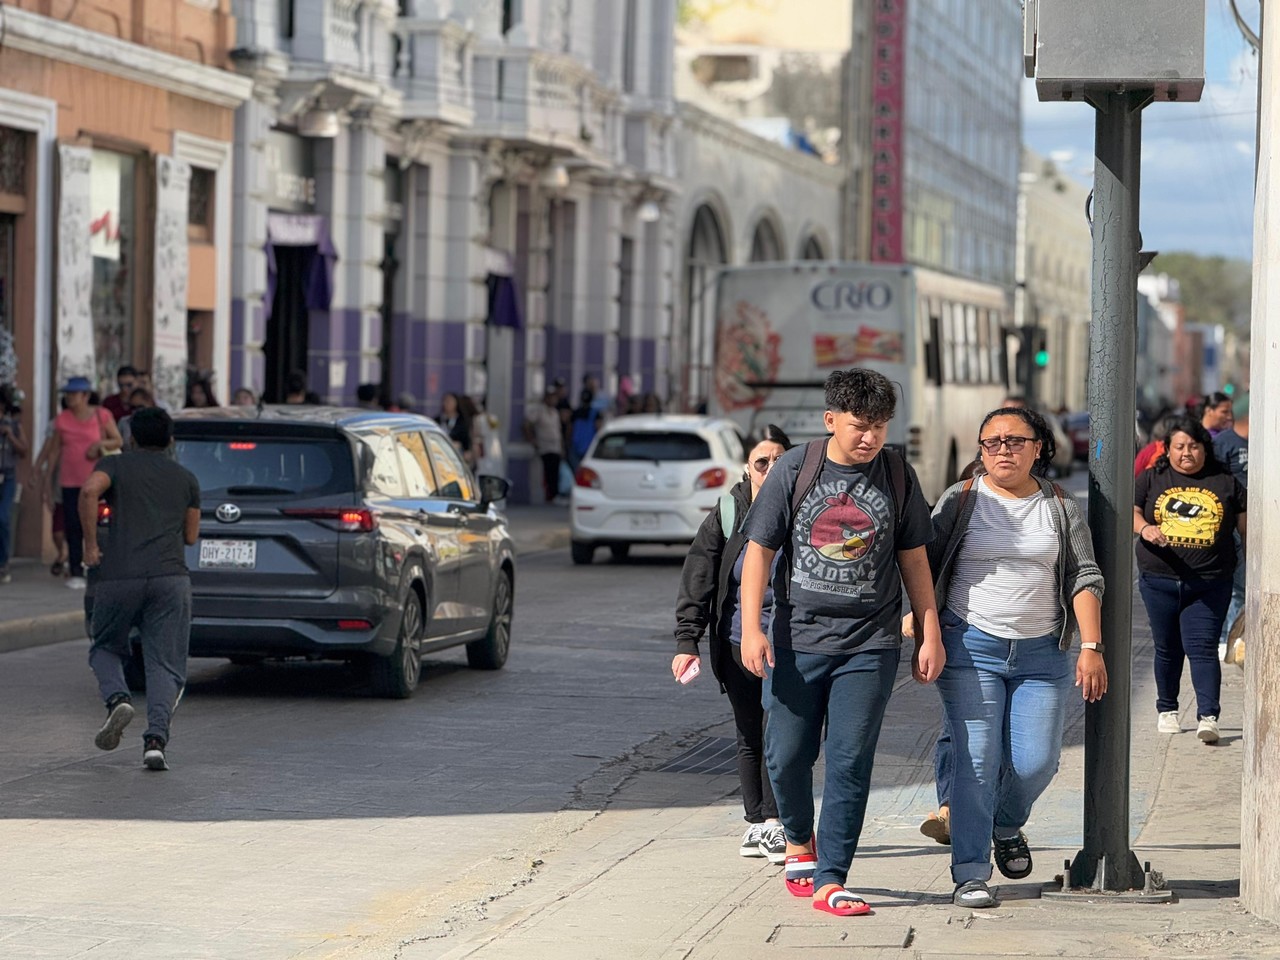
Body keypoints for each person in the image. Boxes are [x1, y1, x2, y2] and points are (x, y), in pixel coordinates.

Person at [739, 368, 943, 918]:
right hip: (796, 640)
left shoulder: (898, 475)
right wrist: (752, 628)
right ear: (831, 420)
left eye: (879, 426)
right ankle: (799, 841)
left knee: (851, 761)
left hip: (869, 645)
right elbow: (759, 549)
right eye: (859, 426)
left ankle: (832, 877)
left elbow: (914, 559)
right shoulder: (794, 469)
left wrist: (929, 629)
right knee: (785, 758)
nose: (870, 438)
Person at [917, 405, 1106, 908]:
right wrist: (924, 628)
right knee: (976, 760)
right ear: (981, 449)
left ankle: (1005, 823)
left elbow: (1083, 575)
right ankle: (971, 872)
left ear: (1038, 447)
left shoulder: (1061, 505)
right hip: (969, 646)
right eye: (993, 442)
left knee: (1037, 761)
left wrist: (1091, 646)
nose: (1004, 450)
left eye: (1016, 441)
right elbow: (925, 569)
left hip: (1042, 653)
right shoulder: (960, 501)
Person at [674, 425, 794, 864]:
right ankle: (761, 823)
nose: (771, 469)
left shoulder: (802, 506)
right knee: (750, 732)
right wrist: (688, 640)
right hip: (738, 642)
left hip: (791, 642)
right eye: (762, 462)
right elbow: (699, 576)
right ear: (748, 467)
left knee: (782, 731)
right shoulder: (729, 510)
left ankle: (772, 821)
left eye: (780, 460)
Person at [81, 407, 201, 772]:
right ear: (170, 441)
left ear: (131, 437)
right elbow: (191, 536)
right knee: (165, 664)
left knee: (105, 646)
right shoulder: (186, 478)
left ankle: (118, 699)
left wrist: (90, 545)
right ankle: (155, 742)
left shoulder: (115, 465)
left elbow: (88, 491)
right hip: (170, 579)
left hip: (119, 576)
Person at [1134, 415, 1246, 744]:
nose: (1187, 453)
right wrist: (1145, 529)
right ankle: (1167, 709)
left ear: (1204, 449)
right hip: (1159, 581)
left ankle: (1208, 716)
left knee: (1203, 648)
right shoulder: (1151, 478)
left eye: (1194, 446)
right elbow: (1133, 509)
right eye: (1179, 446)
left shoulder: (1225, 481)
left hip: (1209, 583)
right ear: (1167, 449)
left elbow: (1245, 526)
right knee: (1167, 649)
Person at [31, 377, 122, 589]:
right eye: (68, 395)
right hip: (70, 481)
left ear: (85, 396)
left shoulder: (102, 415)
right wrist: (44, 478)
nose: (70, 398)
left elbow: (117, 439)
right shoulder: (62, 420)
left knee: (100, 524)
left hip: (98, 480)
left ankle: (100, 565)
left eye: (74, 394)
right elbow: (53, 450)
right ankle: (75, 570)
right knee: (73, 525)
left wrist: (99, 444)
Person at [1213, 393, 1248, 655]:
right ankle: (1228, 637)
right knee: (1236, 585)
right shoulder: (1224, 443)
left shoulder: (1267, 441)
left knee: (1244, 585)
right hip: (1231, 524)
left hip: (1258, 522)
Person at [0, 384, 28, 583]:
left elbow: (24, 450)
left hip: (7, 476)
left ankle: (3, 561)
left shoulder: (14, 426)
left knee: (3, 518)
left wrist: (9, 434)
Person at [524, 387, 565, 503]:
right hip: (545, 447)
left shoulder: (555, 412)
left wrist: (562, 447)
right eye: (551, 397)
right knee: (548, 472)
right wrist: (532, 439)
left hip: (555, 446)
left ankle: (555, 495)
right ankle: (550, 495)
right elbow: (527, 424)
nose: (553, 400)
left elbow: (558, 431)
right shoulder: (539, 411)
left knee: (556, 472)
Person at [437, 392, 472, 460]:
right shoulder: (438, 420)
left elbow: (465, 438)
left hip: (456, 454)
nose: (447, 404)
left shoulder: (462, 421)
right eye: (445, 401)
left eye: (450, 401)